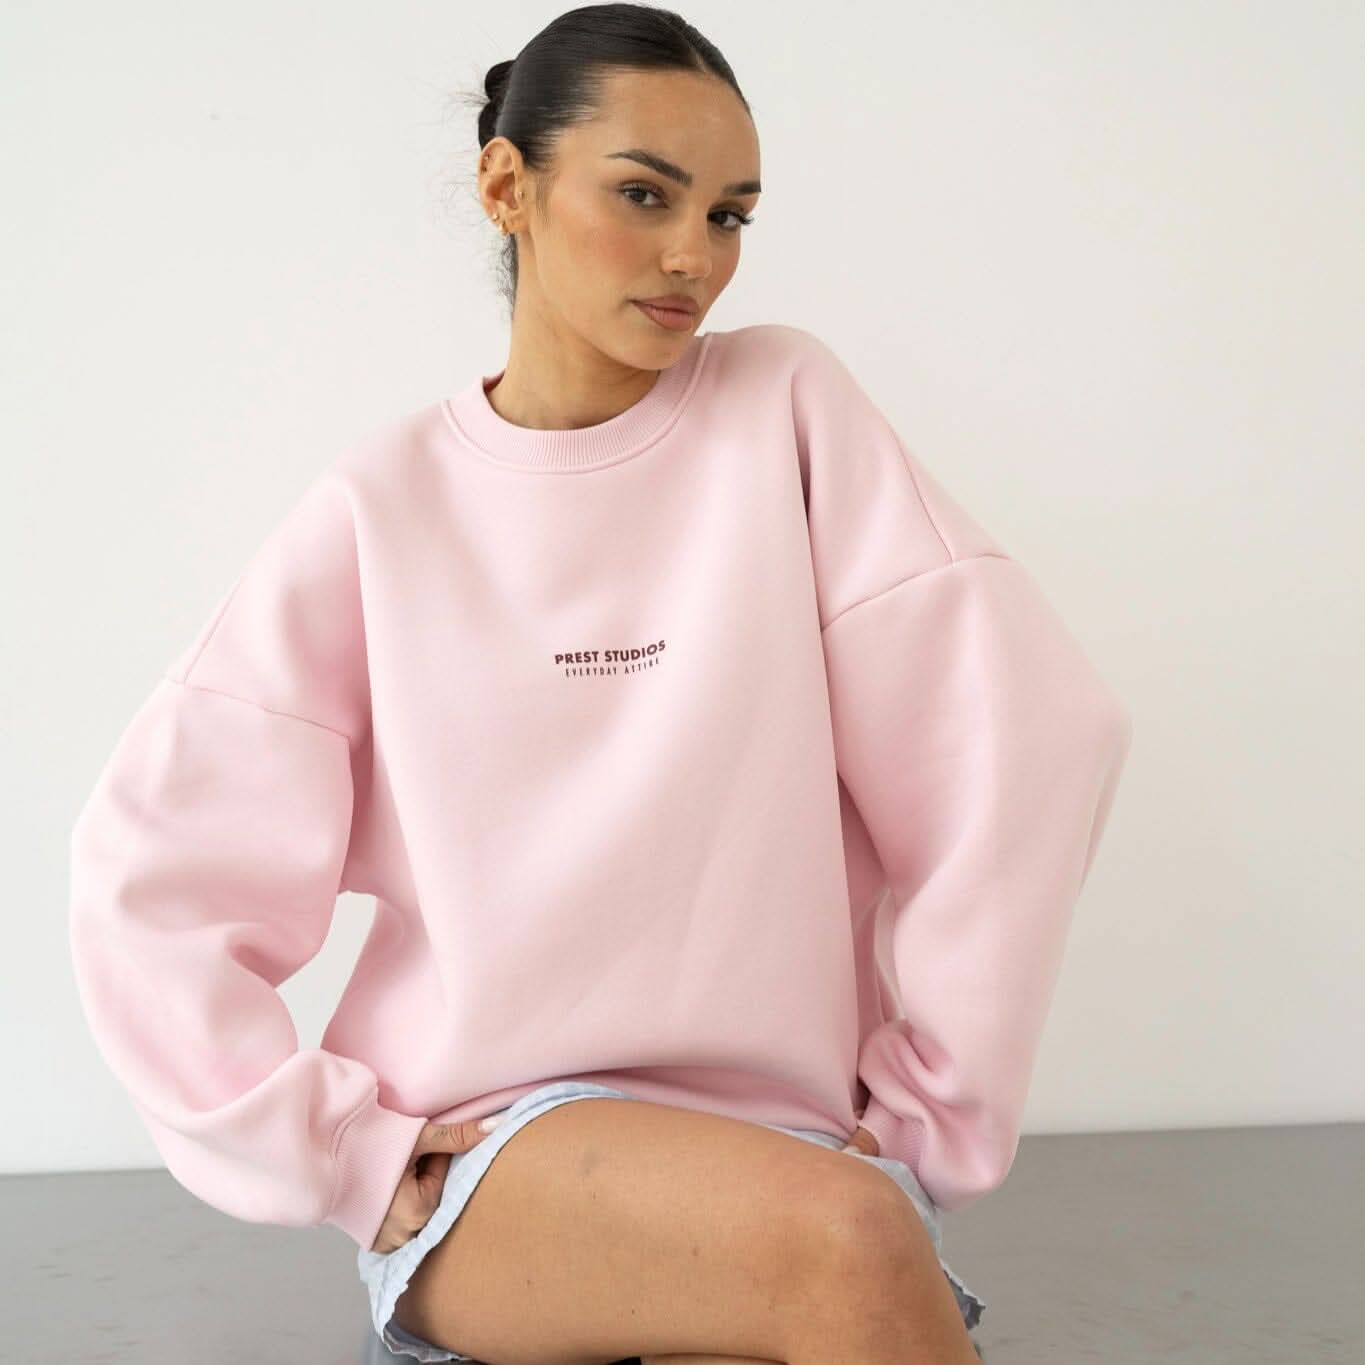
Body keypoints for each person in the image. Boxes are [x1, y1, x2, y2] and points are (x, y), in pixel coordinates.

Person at [68, 5, 1133, 1363]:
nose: (696, 255)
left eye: (730, 214)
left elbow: (1023, 737)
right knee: (852, 1246)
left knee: (836, 1239)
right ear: (506, 185)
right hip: (506, 1148)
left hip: (790, 1147)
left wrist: (933, 1106)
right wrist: (329, 1146)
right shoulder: (382, 511)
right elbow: (153, 875)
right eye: (644, 195)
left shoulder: (788, 411)